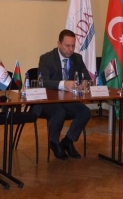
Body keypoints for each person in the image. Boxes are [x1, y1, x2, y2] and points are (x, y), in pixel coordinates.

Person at [34, 29, 91, 160]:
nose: (70, 49)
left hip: (67, 100)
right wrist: (64, 84)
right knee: (59, 112)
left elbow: (86, 78)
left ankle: (68, 140)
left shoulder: (77, 58)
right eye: (67, 46)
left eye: (73, 46)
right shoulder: (46, 58)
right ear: (59, 43)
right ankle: (54, 142)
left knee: (85, 112)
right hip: (48, 101)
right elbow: (43, 82)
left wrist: (84, 83)